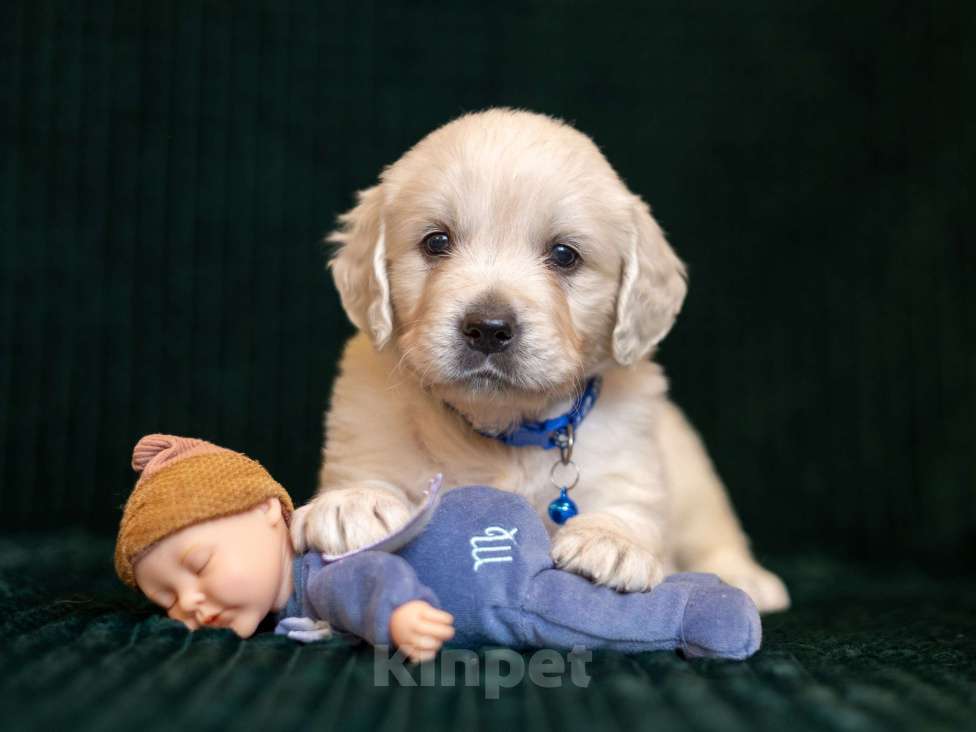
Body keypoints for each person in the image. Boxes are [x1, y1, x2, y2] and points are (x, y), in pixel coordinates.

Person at [115, 434, 762, 662]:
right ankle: (691, 595)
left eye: (196, 569)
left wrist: (396, 616)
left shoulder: (314, 580)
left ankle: (692, 613)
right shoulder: (293, 593)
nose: (188, 604)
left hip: (486, 561)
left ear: (267, 514)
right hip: (475, 517)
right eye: (163, 599)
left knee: (560, 614)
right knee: (573, 589)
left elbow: (366, 580)